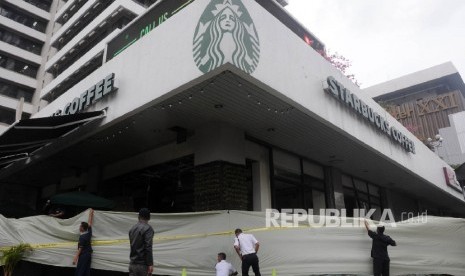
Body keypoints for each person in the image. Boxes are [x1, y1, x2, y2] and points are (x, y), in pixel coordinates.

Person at [129, 208, 154, 276]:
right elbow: (148, 247)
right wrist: (150, 264)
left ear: (138, 217)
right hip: (142, 266)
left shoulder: (132, 228)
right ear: (149, 218)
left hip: (132, 264)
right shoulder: (148, 229)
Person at [73, 208, 94, 276]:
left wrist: (75, 258)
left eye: (80, 226)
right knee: (86, 270)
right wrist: (91, 213)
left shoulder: (82, 237)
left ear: (82, 228)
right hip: (89, 255)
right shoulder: (89, 233)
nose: (79, 227)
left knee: (80, 270)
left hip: (84, 255)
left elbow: (80, 249)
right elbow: (90, 223)